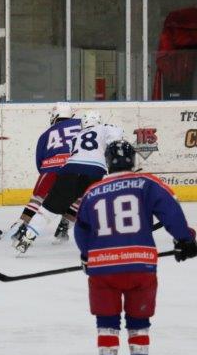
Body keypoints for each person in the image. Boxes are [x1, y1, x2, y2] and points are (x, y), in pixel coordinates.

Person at [74, 140, 197, 355]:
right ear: (132, 160)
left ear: (108, 162)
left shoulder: (92, 191)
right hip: (140, 264)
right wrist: (185, 239)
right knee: (139, 321)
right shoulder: (146, 183)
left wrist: (87, 256)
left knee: (106, 322)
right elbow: (170, 210)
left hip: (103, 268)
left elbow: (81, 229)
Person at [13, 109, 123, 254]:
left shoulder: (76, 136)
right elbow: (116, 143)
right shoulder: (106, 128)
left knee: (47, 209)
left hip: (69, 170)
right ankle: (104, 240)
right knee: (90, 205)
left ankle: (27, 237)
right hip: (94, 171)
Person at [10, 101, 81, 244]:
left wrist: (47, 176)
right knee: (79, 197)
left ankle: (21, 226)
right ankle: (64, 228)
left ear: (55, 116)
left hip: (51, 168)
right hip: (76, 166)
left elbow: (40, 162)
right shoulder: (81, 125)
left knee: (38, 198)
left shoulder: (45, 135)